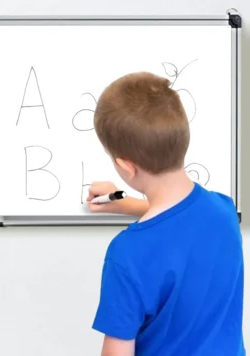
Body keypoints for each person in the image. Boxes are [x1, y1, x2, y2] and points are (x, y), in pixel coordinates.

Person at [86, 71, 244, 356]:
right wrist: (128, 204)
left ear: (127, 167)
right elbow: (182, 218)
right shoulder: (225, 211)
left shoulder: (127, 253)